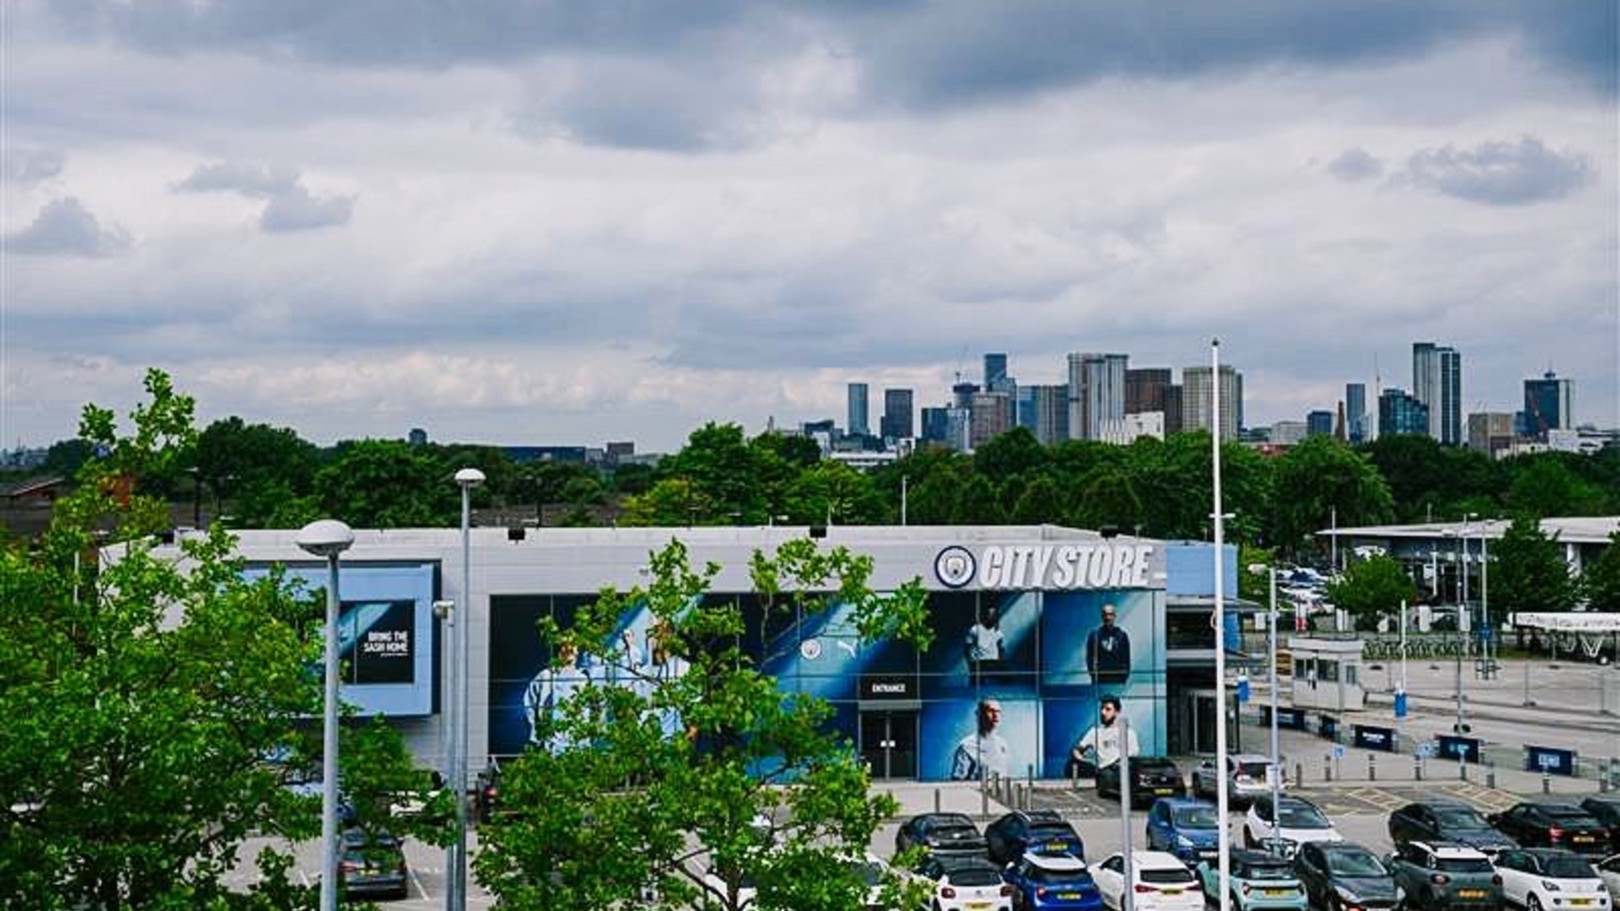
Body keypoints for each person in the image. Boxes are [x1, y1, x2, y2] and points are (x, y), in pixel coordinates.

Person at [523, 641, 592, 751]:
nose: (570, 652)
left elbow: (587, 709)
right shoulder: (546, 676)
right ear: (560, 652)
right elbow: (529, 703)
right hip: (549, 742)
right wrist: (537, 730)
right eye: (566, 649)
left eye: (573, 649)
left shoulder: (582, 679)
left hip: (576, 742)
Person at [1068, 695, 1140, 777]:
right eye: (1102, 708)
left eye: (1108, 709)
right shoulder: (1094, 732)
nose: (1103, 712)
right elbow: (1077, 750)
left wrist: (1116, 764)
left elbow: (1133, 755)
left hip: (1120, 772)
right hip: (1103, 772)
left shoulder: (1129, 733)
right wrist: (1085, 761)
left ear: (1117, 712)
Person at [949, 698, 1011, 781]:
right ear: (980, 715)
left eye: (998, 711)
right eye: (990, 711)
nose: (995, 715)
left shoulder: (1002, 744)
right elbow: (957, 783)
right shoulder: (967, 746)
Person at [1085, 602, 1131, 685]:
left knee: (1114, 697)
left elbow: (1126, 658)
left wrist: (1124, 677)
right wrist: (1093, 675)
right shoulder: (1095, 635)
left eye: (1110, 614)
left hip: (1117, 680)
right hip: (1100, 680)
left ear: (1114, 616)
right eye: (1105, 614)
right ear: (1102, 617)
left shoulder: (1121, 635)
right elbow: (1090, 658)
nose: (1108, 617)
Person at [964, 604, 1004, 686]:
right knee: (977, 686)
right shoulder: (975, 629)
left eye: (994, 615)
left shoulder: (999, 633)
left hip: (993, 663)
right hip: (978, 662)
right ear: (986, 615)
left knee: (998, 685)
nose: (992, 617)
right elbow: (967, 647)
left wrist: (1000, 661)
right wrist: (970, 663)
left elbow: (1000, 648)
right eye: (990, 614)